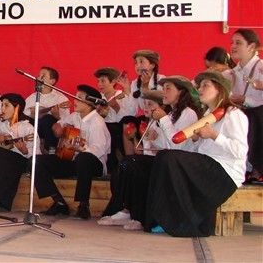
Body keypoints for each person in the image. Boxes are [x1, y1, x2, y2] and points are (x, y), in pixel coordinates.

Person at [145, 71, 248, 237]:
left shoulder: (233, 114)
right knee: (164, 156)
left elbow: (240, 151)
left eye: (206, 85)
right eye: (200, 86)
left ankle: (179, 221)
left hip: (225, 172)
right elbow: (200, 149)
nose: (200, 89)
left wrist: (214, 135)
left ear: (219, 89)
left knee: (170, 158)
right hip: (208, 164)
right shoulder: (207, 115)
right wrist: (195, 140)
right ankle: (164, 218)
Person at [34, 85, 110, 220]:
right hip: (74, 161)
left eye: (79, 98)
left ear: (90, 103)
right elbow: (61, 123)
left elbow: (99, 150)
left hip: (94, 164)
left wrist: (79, 148)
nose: (74, 101)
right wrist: (57, 127)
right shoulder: (75, 116)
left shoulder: (97, 122)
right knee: (36, 161)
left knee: (83, 158)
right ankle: (59, 201)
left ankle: (83, 205)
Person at [97, 90, 168, 231]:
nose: (146, 108)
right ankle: (125, 209)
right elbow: (144, 150)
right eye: (145, 104)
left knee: (132, 165)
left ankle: (137, 214)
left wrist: (155, 140)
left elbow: (166, 149)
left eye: (151, 104)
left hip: (161, 164)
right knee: (120, 168)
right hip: (148, 161)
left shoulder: (164, 123)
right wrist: (135, 140)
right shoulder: (149, 124)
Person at [229, 28, 263, 182]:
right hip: (243, 112)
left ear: (251, 47)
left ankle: (257, 168)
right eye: (232, 42)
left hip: (258, 115)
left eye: (238, 43)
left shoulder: (261, 67)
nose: (233, 46)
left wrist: (246, 100)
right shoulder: (233, 72)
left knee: (254, 116)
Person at [23, 66, 70, 154]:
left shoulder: (61, 99)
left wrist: (57, 116)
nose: (38, 78)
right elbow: (23, 113)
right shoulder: (32, 97)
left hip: (49, 130)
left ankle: (50, 149)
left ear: (52, 81)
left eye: (43, 76)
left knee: (48, 118)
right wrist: (33, 111)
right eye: (38, 75)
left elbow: (66, 121)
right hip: (34, 128)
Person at [93, 67, 132, 171]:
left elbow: (128, 117)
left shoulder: (122, 96)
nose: (100, 84)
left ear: (113, 81)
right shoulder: (98, 98)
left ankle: (113, 167)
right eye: (98, 81)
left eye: (103, 81)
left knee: (110, 130)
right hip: (101, 126)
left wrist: (116, 107)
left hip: (117, 127)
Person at [150, 76, 202, 152]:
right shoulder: (170, 114)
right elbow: (167, 146)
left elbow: (178, 146)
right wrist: (155, 138)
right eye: (163, 89)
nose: (163, 92)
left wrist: (164, 119)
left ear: (180, 91)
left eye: (168, 88)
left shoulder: (188, 113)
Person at [118, 50, 166, 116]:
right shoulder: (135, 83)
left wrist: (145, 87)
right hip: (147, 118)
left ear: (152, 65)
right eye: (136, 63)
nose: (138, 66)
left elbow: (164, 104)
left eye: (141, 62)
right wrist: (127, 88)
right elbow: (132, 112)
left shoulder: (161, 80)